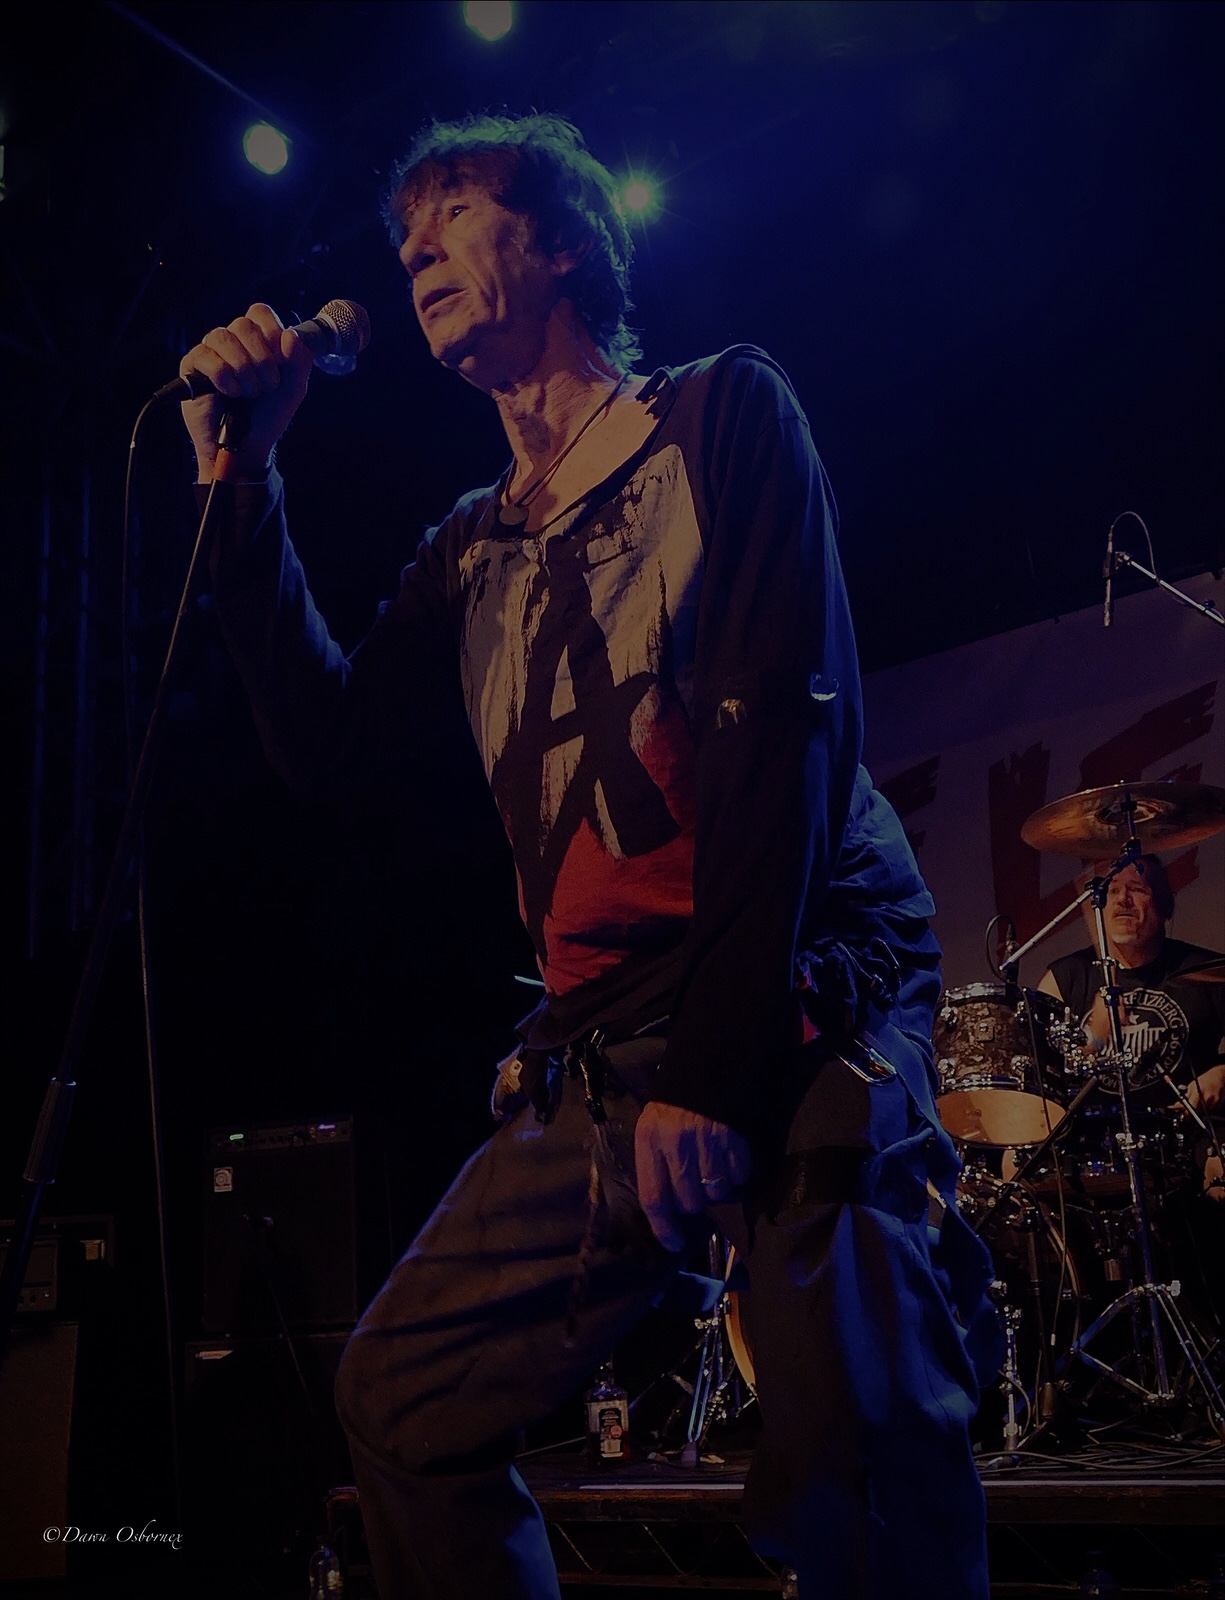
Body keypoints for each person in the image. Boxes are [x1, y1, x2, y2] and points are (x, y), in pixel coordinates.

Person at [178, 114, 998, 1600]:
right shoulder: (471, 550)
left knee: (855, 1456)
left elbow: (782, 738)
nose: (415, 247)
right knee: (404, 1400)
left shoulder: (721, 415)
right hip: (607, 1041)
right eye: (404, 234)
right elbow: (331, 751)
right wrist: (244, 485)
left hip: (800, 990)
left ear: (562, 242)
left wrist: (716, 1069)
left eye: (455, 211)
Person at [1037, 856, 1225, 1200]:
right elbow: (1039, 1084)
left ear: (1165, 905)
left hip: (1189, 1133)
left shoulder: (1208, 972)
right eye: (1112, 890)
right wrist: (1094, 1037)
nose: (1122, 899)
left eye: (1137, 889)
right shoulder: (1064, 979)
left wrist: (1222, 1073)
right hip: (1092, 1141)